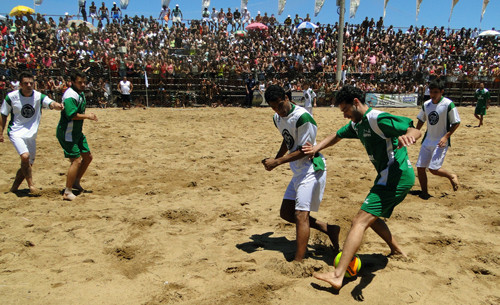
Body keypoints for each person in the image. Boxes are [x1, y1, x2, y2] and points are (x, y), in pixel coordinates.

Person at [304, 85, 421, 289]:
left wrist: (409, 136)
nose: (344, 115)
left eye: (345, 110)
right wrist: (316, 148)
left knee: (359, 220)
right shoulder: (357, 124)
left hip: (396, 176)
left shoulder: (377, 119)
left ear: (356, 103)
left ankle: (338, 275)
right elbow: (337, 135)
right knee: (371, 218)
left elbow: (414, 128)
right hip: (386, 176)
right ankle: (397, 251)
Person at [262, 85, 339, 262]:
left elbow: (307, 150)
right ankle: (329, 229)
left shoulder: (303, 117)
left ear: (287, 98)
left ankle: (299, 261)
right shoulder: (277, 117)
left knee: (300, 215)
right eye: (273, 107)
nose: (277, 111)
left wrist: (278, 162)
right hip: (298, 171)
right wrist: (276, 159)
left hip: (312, 169)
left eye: (279, 105)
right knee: (286, 213)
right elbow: (287, 138)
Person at [0, 71, 64, 194]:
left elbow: (50, 103)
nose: (29, 85)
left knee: (27, 163)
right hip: (15, 131)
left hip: (31, 134)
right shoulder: (11, 97)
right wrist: (1, 132)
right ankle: (31, 186)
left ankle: (14, 188)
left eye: (31, 83)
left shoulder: (38, 96)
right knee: (25, 156)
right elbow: (3, 114)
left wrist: (57, 105)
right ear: (20, 85)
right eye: (26, 83)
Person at [56, 70, 98, 201]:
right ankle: (67, 192)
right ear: (72, 82)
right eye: (80, 82)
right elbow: (71, 115)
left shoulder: (79, 93)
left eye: (84, 82)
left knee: (88, 157)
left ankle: (75, 181)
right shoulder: (70, 95)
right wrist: (88, 116)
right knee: (77, 160)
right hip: (68, 132)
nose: (83, 84)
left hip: (77, 132)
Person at [415, 80, 460, 199]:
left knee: (433, 169)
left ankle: (451, 176)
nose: (433, 95)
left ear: (442, 92)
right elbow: (421, 120)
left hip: (440, 141)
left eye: (435, 92)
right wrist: (415, 133)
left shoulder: (448, 104)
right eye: (431, 92)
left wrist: (446, 137)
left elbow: (456, 123)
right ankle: (424, 192)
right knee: (420, 168)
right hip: (427, 140)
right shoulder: (426, 104)